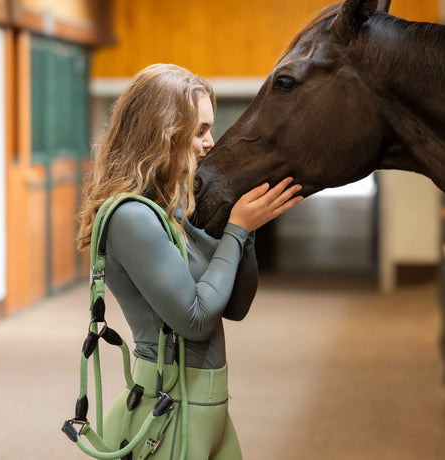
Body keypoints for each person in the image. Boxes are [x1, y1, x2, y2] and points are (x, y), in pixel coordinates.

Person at [77, 63, 303, 459]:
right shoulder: (131, 216)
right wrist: (236, 230)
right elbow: (195, 320)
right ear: (163, 132)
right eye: (200, 131)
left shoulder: (171, 212)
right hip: (172, 404)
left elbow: (235, 306)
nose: (210, 142)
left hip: (208, 405)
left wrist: (246, 230)